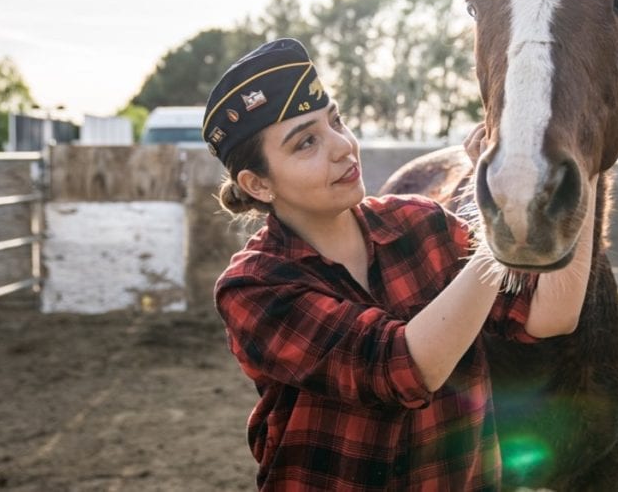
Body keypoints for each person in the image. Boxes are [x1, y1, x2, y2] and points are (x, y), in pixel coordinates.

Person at [205, 38, 597, 491]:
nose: (342, 147)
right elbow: (404, 368)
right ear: (258, 184)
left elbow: (551, 315)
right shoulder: (253, 288)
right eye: (306, 143)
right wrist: (499, 216)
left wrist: (585, 159)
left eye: (337, 121)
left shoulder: (420, 224)